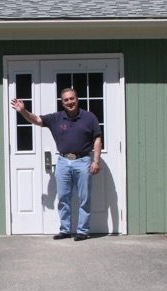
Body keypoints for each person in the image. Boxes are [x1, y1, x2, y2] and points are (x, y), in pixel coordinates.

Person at [10, 88, 102, 241]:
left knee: (84, 198)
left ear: (77, 99)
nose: (69, 102)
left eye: (72, 99)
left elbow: (97, 139)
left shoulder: (89, 117)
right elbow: (37, 120)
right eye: (66, 100)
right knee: (64, 198)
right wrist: (23, 111)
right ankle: (65, 230)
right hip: (63, 162)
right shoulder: (56, 118)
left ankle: (82, 231)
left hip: (83, 161)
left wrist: (96, 161)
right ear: (62, 102)